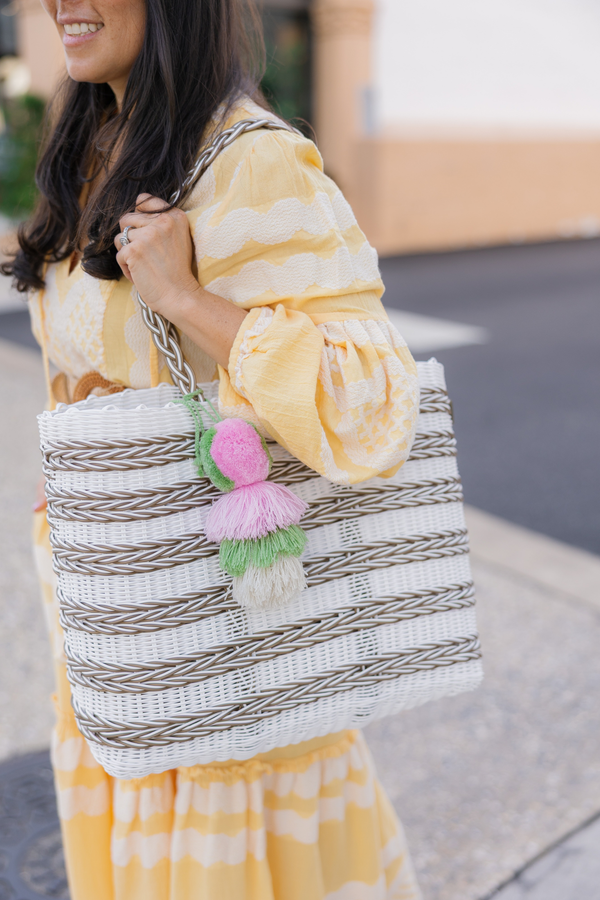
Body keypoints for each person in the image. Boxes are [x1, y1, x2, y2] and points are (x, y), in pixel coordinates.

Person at [4, 0, 423, 897]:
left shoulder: (248, 161)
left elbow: (374, 400)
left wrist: (188, 298)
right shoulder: (98, 147)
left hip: (226, 661)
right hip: (115, 635)